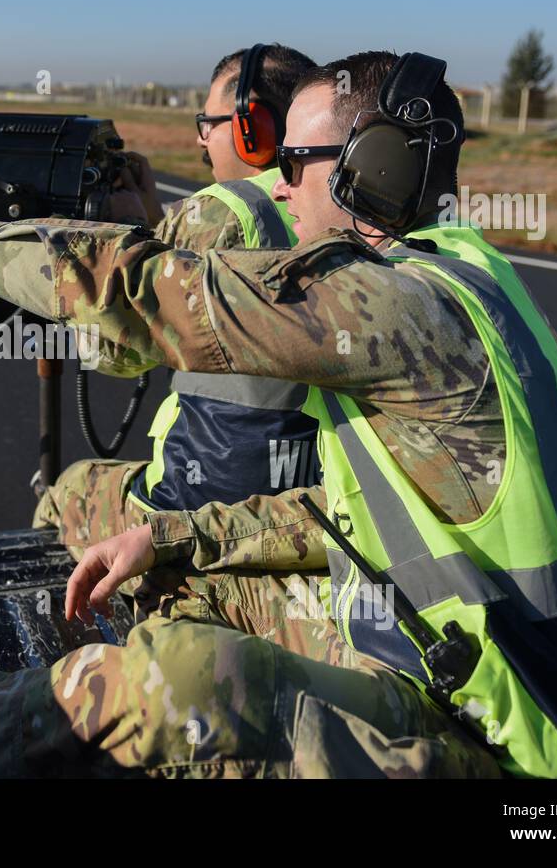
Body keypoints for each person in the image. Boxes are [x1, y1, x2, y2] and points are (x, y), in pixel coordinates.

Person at [0, 51, 557, 779]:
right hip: (459, 654)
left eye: (295, 163)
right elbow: (349, 515)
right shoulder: (462, 274)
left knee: (177, 675)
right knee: (178, 587)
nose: (281, 189)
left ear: (373, 172)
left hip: (520, 753)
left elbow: (136, 294)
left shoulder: (392, 310)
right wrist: (170, 539)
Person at [32, 43, 332, 637]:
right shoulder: (337, 200)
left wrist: (116, 237)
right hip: (315, 500)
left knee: (68, 488)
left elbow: (114, 351)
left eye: (209, 125)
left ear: (253, 129)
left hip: (211, 500)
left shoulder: (216, 211)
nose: (200, 142)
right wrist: (154, 224)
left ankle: (68, 625)